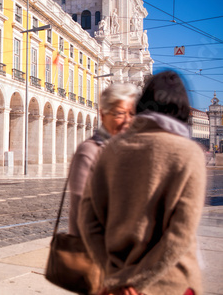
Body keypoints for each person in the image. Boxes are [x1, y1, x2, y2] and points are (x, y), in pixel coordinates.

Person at [78, 70, 206, 295]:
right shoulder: (190, 154)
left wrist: (114, 276)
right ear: (184, 111)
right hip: (170, 283)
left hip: (115, 281)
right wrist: (136, 282)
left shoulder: (110, 150)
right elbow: (181, 234)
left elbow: (88, 219)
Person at [68, 83, 139, 237]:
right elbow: (84, 216)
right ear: (103, 115)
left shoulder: (129, 151)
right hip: (94, 252)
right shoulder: (89, 152)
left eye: (132, 114)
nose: (127, 120)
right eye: (120, 113)